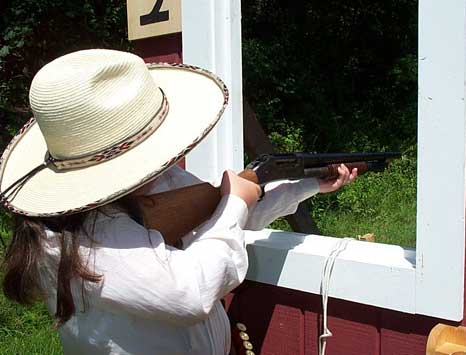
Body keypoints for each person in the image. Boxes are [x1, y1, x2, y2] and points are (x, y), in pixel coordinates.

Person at [0, 49, 357, 355]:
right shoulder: (74, 236)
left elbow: (220, 219)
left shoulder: (162, 180)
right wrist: (234, 202)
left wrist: (306, 186)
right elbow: (188, 293)